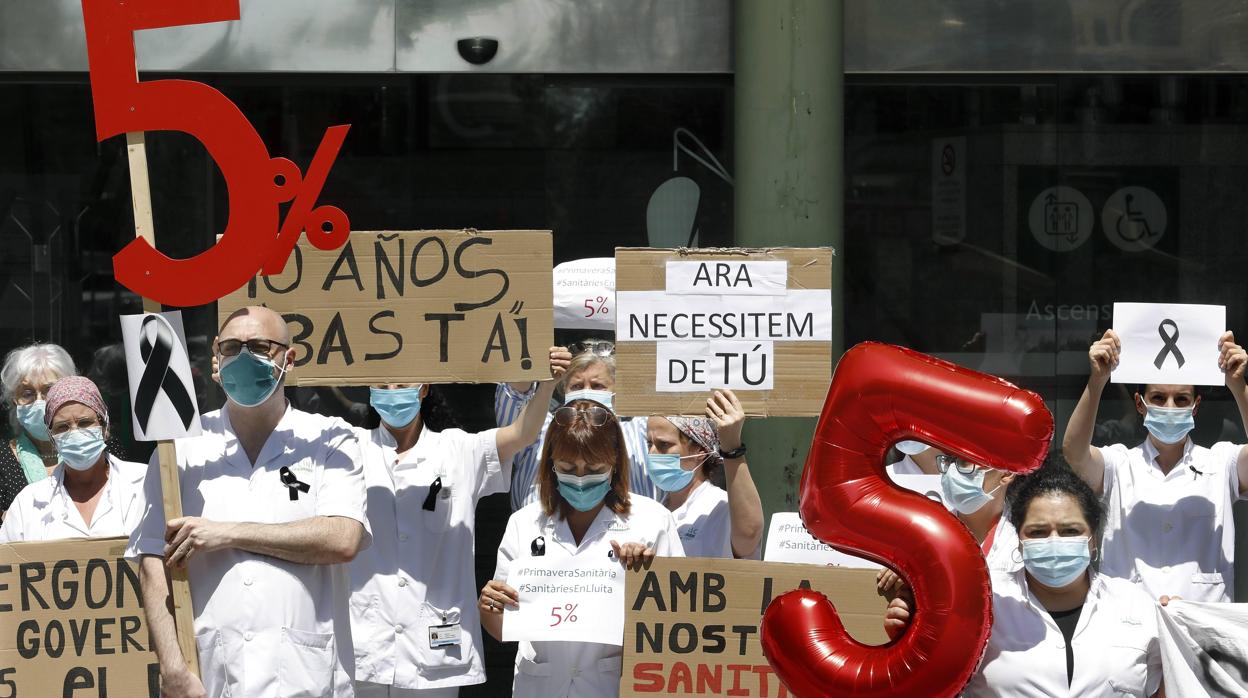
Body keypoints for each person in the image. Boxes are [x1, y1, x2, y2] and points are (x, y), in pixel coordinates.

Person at [127, 306, 370, 698]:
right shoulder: (180, 449)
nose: (242, 357)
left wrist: (228, 534)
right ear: (216, 361)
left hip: (307, 677)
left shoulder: (331, 439)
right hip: (210, 676)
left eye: (258, 346)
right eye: (232, 347)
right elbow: (152, 563)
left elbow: (342, 539)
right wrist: (172, 668)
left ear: (288, 360)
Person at [349, 346, 570, 698]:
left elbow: (522, 434)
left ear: (424, 389)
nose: (393, 395)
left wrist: (545, 385)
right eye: (383, 387)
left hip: (436, 642)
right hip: (365, 643)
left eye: (402, 385)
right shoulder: (349, 448)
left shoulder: (458, 449)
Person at [885, 463, 1164, 697]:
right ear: (1018, 542)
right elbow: (938, 681)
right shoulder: (979, 604)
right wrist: (910, 640)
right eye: (1038, 532)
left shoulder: (1137, 606)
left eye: (1070, 531)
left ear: (1093, 541)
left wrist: (1179, 620)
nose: (1054, 541)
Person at [479, 399, 684, 698]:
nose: (580, 478)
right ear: (550, 464)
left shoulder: (653, 521)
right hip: (540, 686)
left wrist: (646, 580)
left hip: (613, 687)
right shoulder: (524, 523)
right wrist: (488, 606)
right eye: (567, 467)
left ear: (615, 462)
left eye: (594, 468)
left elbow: (677, 626)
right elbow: (502, 627)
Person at [1061, 328, 1248, 602]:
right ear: (1139, 404)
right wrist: (1098, 380)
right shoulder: (1118, 463)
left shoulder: (1221, 463)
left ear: (1195, 407)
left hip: (1201, 629)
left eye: (1181, 399)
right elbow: (1074, 453)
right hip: (1130, 628)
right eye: (1158, 398)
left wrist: (1238, 385)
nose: (1170, 407)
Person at [496, 339, 656, 510]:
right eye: (577, 386)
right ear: (564, 391)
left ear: (618, 394)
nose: (586, 393)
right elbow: (514, 398)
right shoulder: (539, 431)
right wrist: (531, 359)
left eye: (597, 386)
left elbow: (675, 403)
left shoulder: (642, 434)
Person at [0, 376, 146, 541]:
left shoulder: (146, 483)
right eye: (62, 427)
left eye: (84, 423)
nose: (75, 433)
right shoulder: (27, 503)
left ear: (104, 425)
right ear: (52, 437)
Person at [876, 454, 1020, 600]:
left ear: (1006, 473)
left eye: (965, 462)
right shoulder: (921, 537)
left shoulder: (1025, 540)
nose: (952, 471)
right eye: (950, 460)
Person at [646, 389, 763, 558]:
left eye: (664, 445)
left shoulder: (720, 508)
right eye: (649, 443)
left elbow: (749, 533)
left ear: (699, 449)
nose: (652, 453)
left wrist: (731, 445)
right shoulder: (650, 512)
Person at [0, 343, 77, 515]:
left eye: (50, 390)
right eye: (27, 393)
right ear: (14, 399)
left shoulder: (97, 449)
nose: (40, 401)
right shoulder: (2, 458)